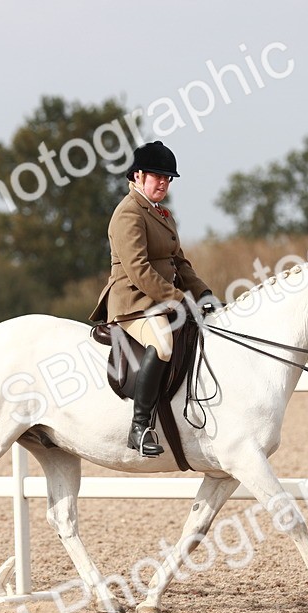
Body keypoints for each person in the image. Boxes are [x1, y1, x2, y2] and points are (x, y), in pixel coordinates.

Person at [90, 141, 220, 457]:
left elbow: (179, 262)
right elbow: (138, 270)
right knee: (162, 344)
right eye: (157, 176)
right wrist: (178, 299)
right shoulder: (128, 214)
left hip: (160, 300)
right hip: (133, 303)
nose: (163, 183)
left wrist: (203, 293)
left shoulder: (161, 214)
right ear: (137, 175)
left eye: (167, 178)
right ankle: (139, 427)